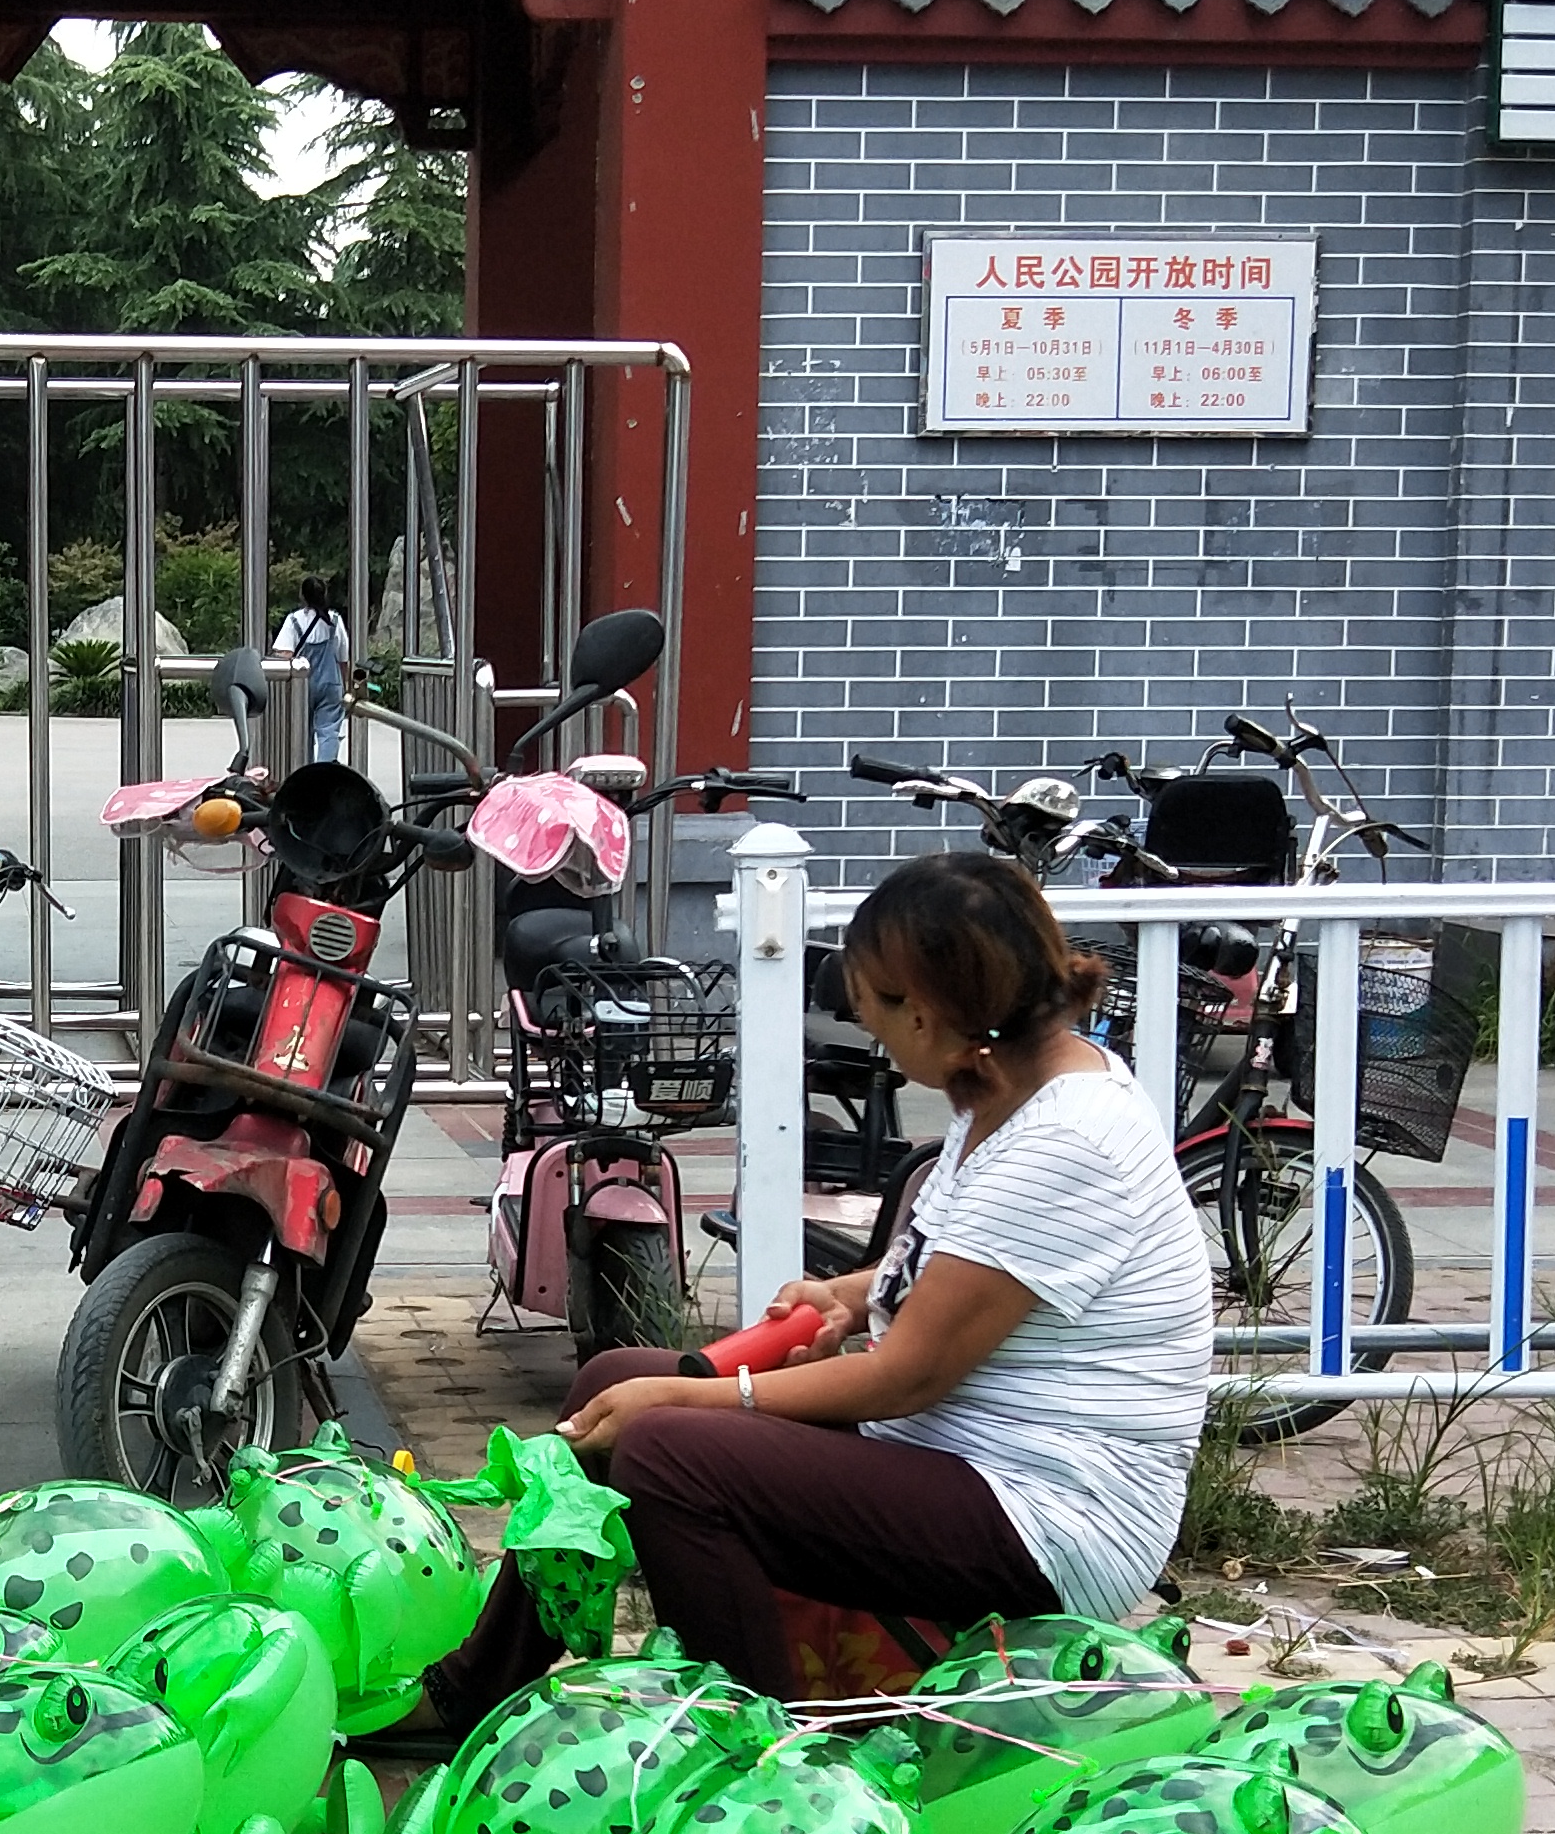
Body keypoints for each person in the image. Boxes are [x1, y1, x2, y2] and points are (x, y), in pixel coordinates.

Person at [409, 846, 1210, 1719]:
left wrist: (703, 1403)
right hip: (968, 1463)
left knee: (665, 1452)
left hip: (1050, 1515)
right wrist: (855, 1293)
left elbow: (908, 1377)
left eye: (874, 1013)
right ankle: (474, 1694)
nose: (868, 1034)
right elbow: (967, 1265)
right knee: (612, 1385)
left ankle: (769, 1760)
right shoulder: (1013, 1091)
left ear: (930, 1012)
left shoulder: (1065, 1144)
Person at [272, 569, 351, 766]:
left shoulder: (294, 620)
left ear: (302, 596)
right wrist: (346, 686)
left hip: (303, 684)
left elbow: (284, 655)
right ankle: (323, 772)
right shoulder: (334, 620)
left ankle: (304, 772)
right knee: (329, 730)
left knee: (301, 731)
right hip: (331, 682)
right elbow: (343, 658)